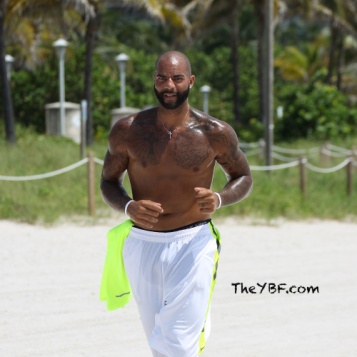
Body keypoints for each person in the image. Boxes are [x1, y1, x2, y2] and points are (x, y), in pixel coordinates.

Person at [100, 51, 253, 357]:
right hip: (143, 244)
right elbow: (108, 182)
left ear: (191, 81)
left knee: (178, 342)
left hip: (193, 242)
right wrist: (129, 207)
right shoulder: (128, 131)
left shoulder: (214, 133)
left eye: (177, 78)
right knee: (158, 337)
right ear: (154, 81)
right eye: (162, 78)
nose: (169, 85)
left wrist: (219, 198)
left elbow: (243, 176)